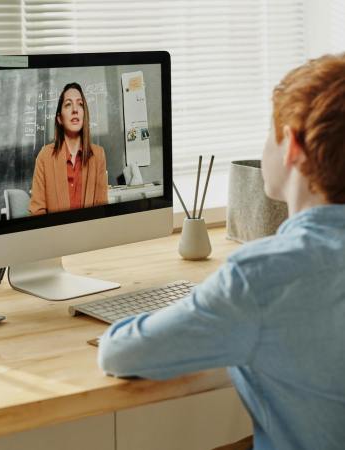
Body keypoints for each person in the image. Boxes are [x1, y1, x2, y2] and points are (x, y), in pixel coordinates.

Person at [98, 53, 345, 450]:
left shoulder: (262, 278)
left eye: (270, 132)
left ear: (293, 146)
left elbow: (120, 353)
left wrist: (201, 305)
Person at [29, 82, 108, 215]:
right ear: (59, 118)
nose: (75, 109)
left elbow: (102, 211)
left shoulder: (98, 155)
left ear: (84, 114)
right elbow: (37, 212)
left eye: (80, 104)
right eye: (68, 104)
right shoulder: (44, 157)